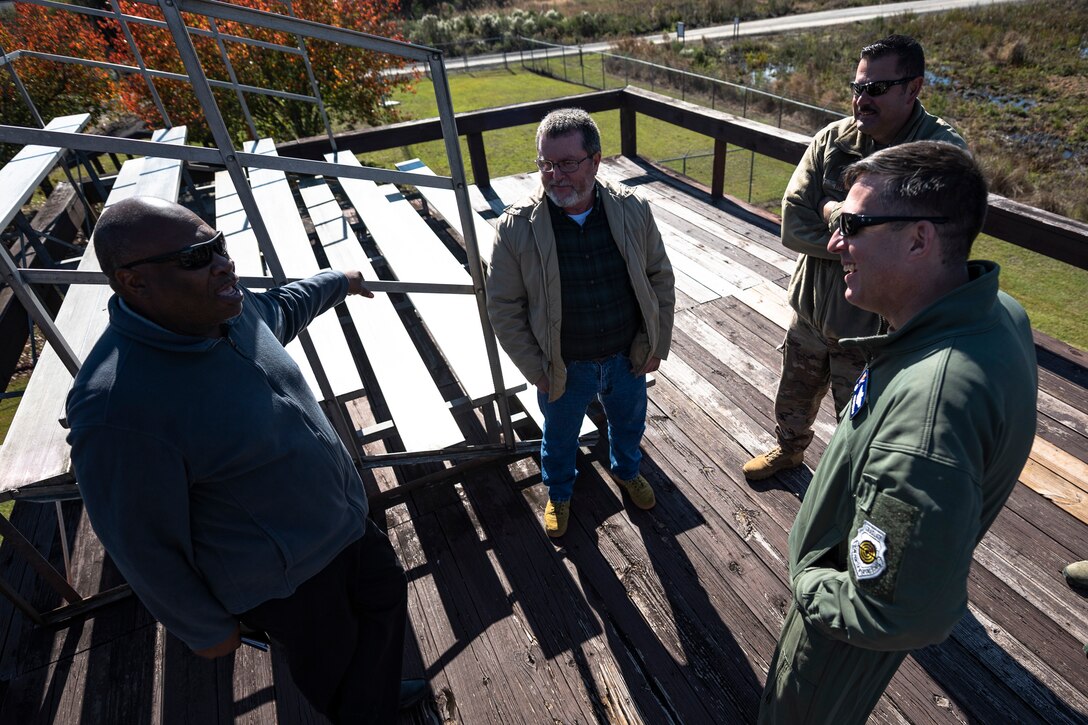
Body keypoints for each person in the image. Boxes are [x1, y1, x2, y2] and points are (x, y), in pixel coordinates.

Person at [65, 196, 426, 724]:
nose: (222, 264)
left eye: (219, 246)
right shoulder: (116, 405)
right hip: (286, 582)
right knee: (336, 667)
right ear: (133, 282)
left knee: (385, 597)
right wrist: (203, 628)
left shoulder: (229, 311)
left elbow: (285, 305)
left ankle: (378, 694)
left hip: (343, 520)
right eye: (195, 258)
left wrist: (340, 280)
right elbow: (139, 542)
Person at [758, 141, 1038, 723]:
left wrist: (807, 581)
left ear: (919, 239)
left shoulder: (927, 416)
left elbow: (898, 613)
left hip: (835, 643)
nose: (835, 244)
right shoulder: (999, 312)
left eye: (853, 225)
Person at [743, 34, 968, 480]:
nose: (861, 99)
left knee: (864, 424)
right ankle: (789, 450)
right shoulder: (832, 139)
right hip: (811, 311)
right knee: (794, 395)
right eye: (858, 86)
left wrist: (829, 210)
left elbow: (925, 252)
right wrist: (856, 224)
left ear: (913, 88)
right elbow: (792, 223)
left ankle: (852, 489)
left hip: (874, 332)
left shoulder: (940, 156)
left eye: (876, 89)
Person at [486, 108, 675, 538]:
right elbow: (504, 307)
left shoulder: (631, 209)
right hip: (563, 368)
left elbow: (659, 279)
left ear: (595, 161)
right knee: (559, 438)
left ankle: (627, 471)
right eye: (546, 164)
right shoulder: (516, 227)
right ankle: (559, 493)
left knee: (629, 424)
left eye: (568, 163)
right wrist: (538, 370)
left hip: (627, 358)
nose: (555, 175)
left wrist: (655, 344)